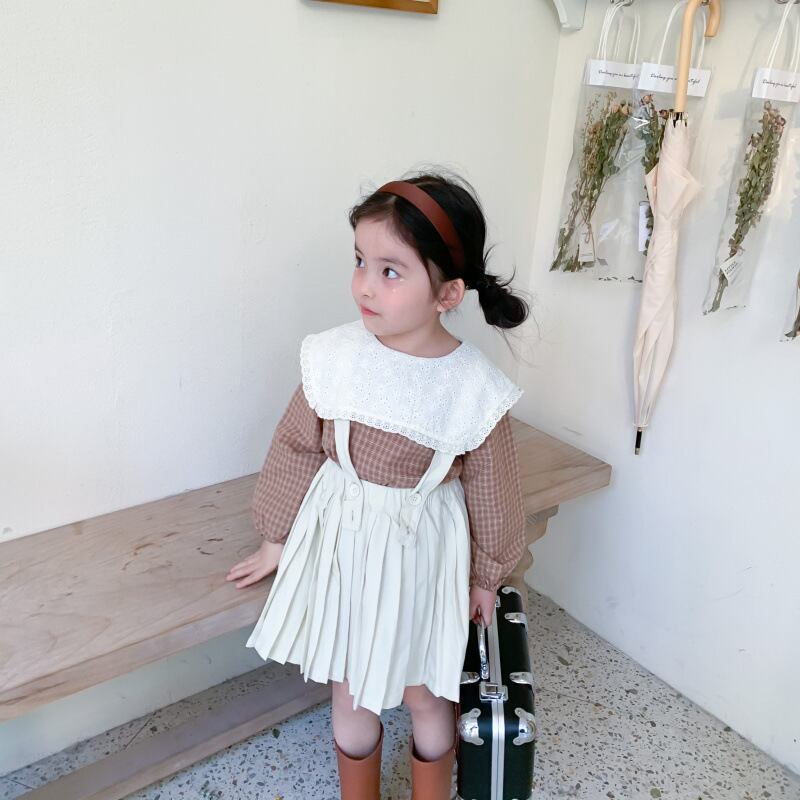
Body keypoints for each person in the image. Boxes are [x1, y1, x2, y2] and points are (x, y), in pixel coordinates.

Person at [226, 172, 529, 799]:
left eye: (391, 271)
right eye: (360, 261)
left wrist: (486, 575)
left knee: (426, 692)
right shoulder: (334, 357)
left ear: (447, 292)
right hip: (344, 544)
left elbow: (494, 489)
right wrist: (276, 538)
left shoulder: (472, 388)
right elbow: (295, 445)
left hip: (423, 554)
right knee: (351, 686)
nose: (365, 284)